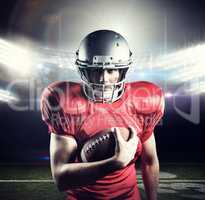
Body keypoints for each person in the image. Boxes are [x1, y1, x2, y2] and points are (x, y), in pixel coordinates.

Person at [40, 30, 165, 200]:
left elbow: (150, 162)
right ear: (83, 70)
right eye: (96, 70)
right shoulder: (64, 101)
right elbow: (62, 179)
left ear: (123, 71)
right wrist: (114, 163)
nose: (103, 79)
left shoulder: (144, 100)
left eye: (111, 70)